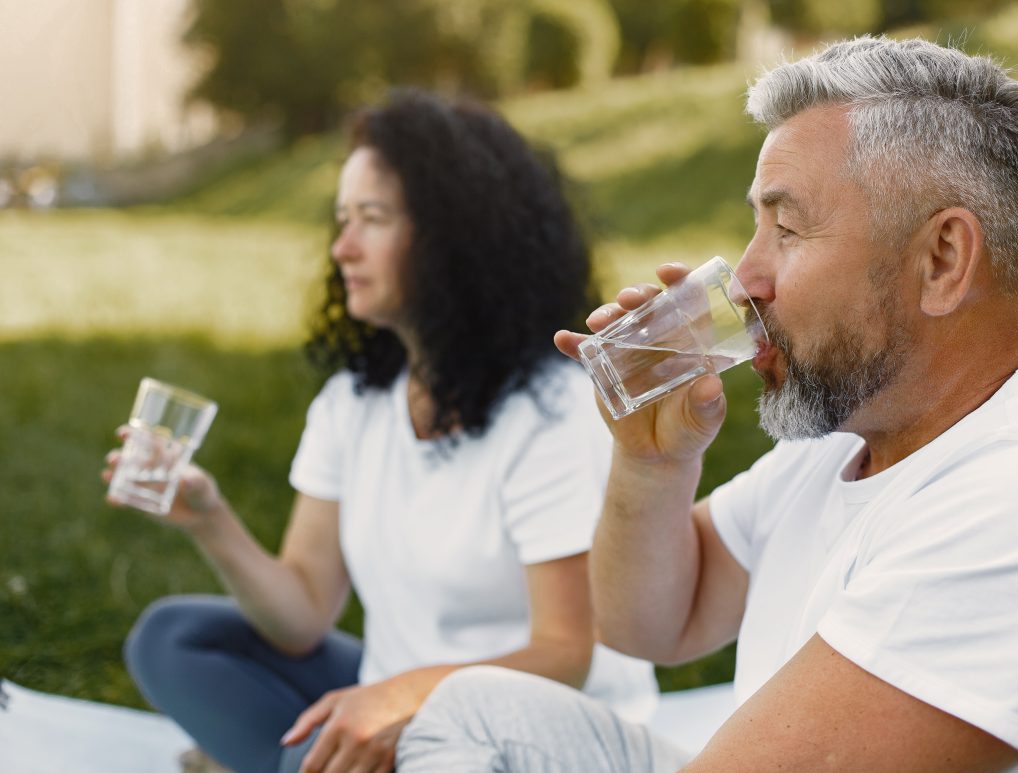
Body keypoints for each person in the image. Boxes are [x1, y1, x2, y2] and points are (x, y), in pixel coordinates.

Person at [388, 37, 1018, 772]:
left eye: (787, 228)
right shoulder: (863, 427)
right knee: (472, 711)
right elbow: (652, 623)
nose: (745, 278)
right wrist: (652, 464)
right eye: (755, 226)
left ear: (943, 259)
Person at [103, 88, 657, 773]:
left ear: (452, 237)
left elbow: (566, 653)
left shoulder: (551, 411)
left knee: (321, 751)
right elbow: (302, 614)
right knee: (174, 638)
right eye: (342, 219)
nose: (342, 247)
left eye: (372, 218)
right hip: (397, 700)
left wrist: (398, 699)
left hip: (540, 731)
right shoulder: (353, 403)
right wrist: (208, 518)